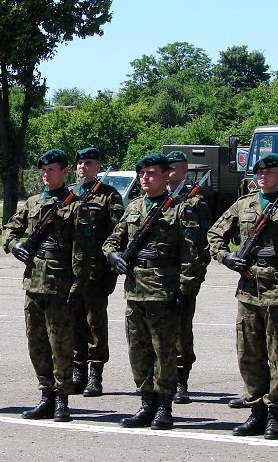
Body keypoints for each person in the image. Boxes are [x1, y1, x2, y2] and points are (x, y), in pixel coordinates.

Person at [208, 153, 278, 440]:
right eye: (260, 173)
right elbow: (214, 234)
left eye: (270, 172)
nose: (264, 177)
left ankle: (275, 415)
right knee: (249, 354)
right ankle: (255, 411)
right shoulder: (244, 205)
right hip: (248, 291)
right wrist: (226, 257)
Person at [103, 152, 200, 430]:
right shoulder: (133, 208)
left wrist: (184, 290)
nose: (145, 178)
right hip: (135, 291)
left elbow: (191, 255)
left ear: (166, 175)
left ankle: (164, 407)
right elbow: (111, 241)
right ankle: (146, 403)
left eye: (152, 173)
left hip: (164, 292)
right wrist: (113, 256)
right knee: (138, 350)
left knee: (164, 352)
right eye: (142, 174)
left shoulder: (180, 210)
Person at [2, 149, 93, 422]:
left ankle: (62, 399)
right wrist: (14, 244)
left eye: (51, 170)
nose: (46, 174)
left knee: (61, 345)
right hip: (33, 285)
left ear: (65, 172)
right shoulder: (31, 203)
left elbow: (83, 253)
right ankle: (46, 395)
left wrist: (78, 288)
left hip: (60, 286)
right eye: (43, 170)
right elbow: (9, 229)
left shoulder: (76, 206)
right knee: (37, 343)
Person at [70, 147, 124, 397]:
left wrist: (110, 271)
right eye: (80, 163)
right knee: (73, 323)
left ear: (98, 166)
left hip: (95, 271)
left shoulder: (108, 197)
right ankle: (77, 372)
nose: (83, 167)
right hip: (69, 272)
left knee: (95, 324)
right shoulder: (69, 194)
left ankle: (95, 375)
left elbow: (116, 235)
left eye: (89, 163)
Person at [165, 151, 211, 404]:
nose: (169, 173)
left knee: (182, 329)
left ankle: (181, 381)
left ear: (184, 171)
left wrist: (193, 278)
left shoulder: (195, 202)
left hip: (185, 275)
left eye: (174, 168)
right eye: (167, 168)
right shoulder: (156, 198)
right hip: (158, 277)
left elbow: (200, 244)